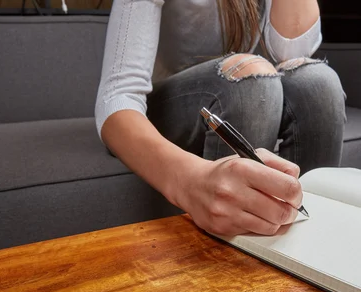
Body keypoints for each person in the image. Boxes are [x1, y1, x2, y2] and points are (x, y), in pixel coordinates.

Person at [95, 0, 346, 237]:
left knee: (319, 85)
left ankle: (311, 244)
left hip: (241, 91)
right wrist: (189, 182)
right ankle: (224, 267)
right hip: (163, 110)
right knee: (251, 83)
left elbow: (292, 52)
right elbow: (117, 97)